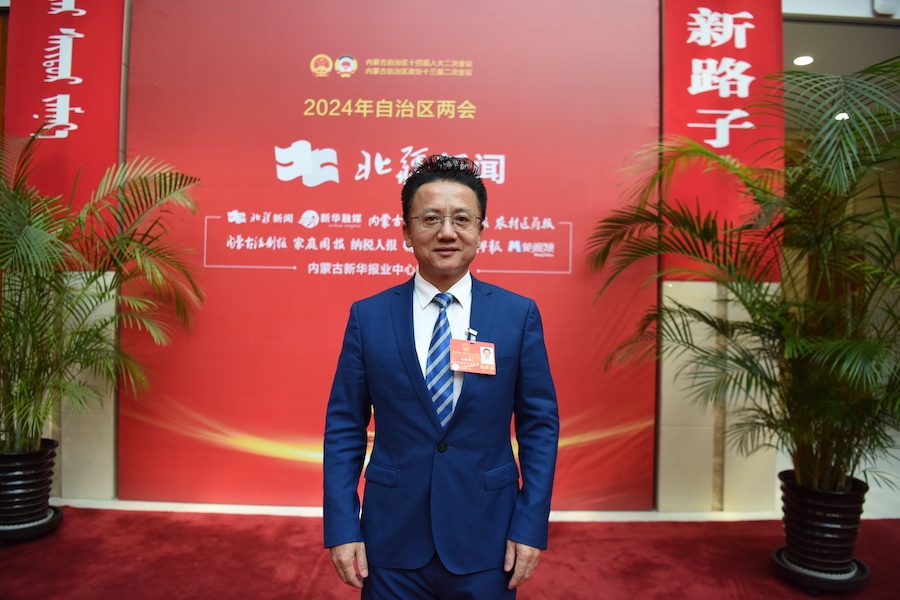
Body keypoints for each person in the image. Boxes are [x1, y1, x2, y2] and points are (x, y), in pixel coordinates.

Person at [323, 154, 559, 599]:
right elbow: (344, 426)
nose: (447, 232)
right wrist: (341, 526)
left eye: (462, 219)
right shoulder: (368, 316)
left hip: (488, 535)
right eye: (430, 218)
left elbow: (540, 427)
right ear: (406, 231)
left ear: (481, 230)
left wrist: (530, 525)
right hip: (390, 537)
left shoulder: (517, 315)